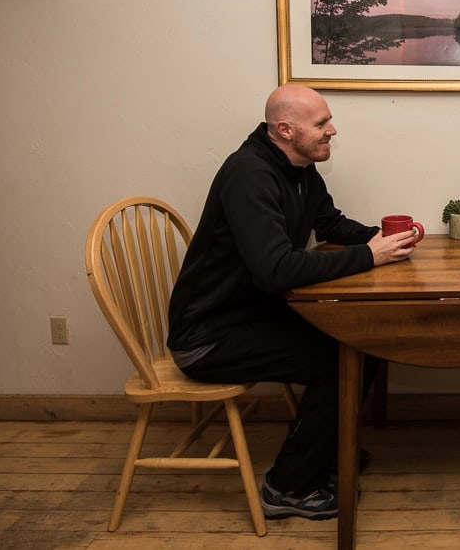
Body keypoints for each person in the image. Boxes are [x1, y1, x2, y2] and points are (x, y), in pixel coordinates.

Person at [167, 84, 416, 520]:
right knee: (341, 358)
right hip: (208, 335)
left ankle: (322, 449)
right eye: (321, 124)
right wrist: (368, 257)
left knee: (366, 340)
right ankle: (289, 486)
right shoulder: (250, 174)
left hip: (251, 315)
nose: (332, 131)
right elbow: (276, 270)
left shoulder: (298, 167)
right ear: (285, 129)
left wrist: (382, 239)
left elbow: (329, 222)